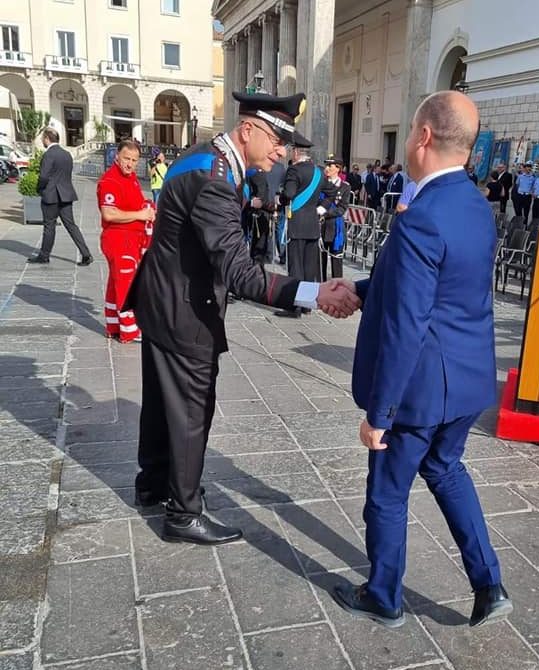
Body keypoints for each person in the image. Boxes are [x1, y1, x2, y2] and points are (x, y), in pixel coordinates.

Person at [125, 91, 360, 545]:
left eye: (286, 145)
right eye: (275, 140)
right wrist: (311, 291)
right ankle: (183, 513)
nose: (281, 152)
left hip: (161, 299)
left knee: (160, 402)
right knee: (193, 409)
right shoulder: (215, 180)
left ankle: (152, 485)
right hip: (183, 312)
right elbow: (238, 271)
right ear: (248, 129)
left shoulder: (204, 156)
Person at [331, 90, 510, 629]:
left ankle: (384, 594)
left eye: (410, 129)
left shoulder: (420, 215)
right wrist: (363, 288)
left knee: (387, 492)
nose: (408, 140)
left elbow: (409, 323)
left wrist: (379, 414)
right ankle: (489, 584)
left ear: (424, 137)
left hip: (419, 390)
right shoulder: (476, 206)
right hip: (469, 380)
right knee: (446, 468)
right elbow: (442, 287)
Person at [97, 139, 152, 343]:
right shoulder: (110, 181)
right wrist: (140, 214)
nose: (130, 164)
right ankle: (130, 330)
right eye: (126, 159)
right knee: (127, 285)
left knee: (115, 284)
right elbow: (109, 213)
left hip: (130, 237)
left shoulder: (131, 178)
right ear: (117, 157)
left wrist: (145, 208)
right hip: (119, 238)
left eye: (134, 160)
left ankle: (113, 325)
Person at [27, 127, 93, 266]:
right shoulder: (67, 154)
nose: (42, 141)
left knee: (49, 226)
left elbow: (44, 176)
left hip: (51, 195)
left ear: (46, 138)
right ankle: (86, 254)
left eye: (42, 139)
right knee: (71, 225)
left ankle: (44, 256)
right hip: (66, 194)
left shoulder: (49, 154)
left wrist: (39, 188)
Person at [277, 138, 326, 318]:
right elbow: (331, 194)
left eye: (292, 151)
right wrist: (321, 208)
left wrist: (280, 199)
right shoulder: (319, 172)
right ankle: (306, 304)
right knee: (309, 267)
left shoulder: (294, 170)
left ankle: (294, 306)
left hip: (296, 223)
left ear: (296, 152)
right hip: (313, 224)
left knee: (295, 265)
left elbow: (288, 194)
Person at [319, 154, 351, 280]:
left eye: (330, 165)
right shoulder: (321, 184)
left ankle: (338, 289)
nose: (327, 168)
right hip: (321, 227)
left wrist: (325, 213)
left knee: (336, 262)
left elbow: (342, 208)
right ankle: (321, 288)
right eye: (326, 165)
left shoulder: (345, 187)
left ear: (338, 168)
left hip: (335, 228)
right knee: (320, 261)